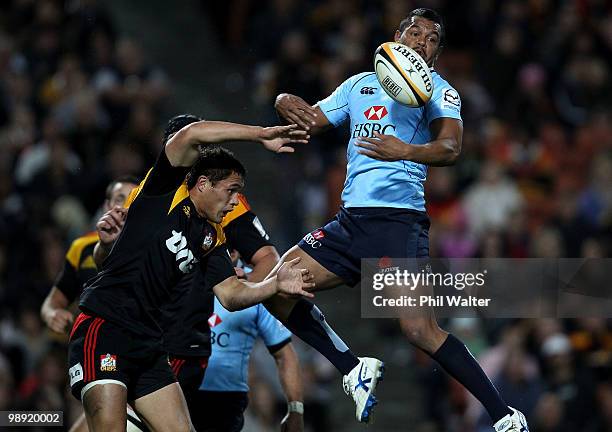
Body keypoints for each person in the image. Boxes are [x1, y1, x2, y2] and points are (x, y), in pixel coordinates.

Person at [271, 8, 529, 431]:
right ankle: (353, 368)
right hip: (349, 222)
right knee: (277, 286)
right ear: (397, 36)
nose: (421, 40)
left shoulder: (439, 92)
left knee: (419, 330)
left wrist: (404, 151)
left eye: (431, 39)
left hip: (398, 223)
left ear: (435, 57)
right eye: (415, 31)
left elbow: (449, 148)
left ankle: (504, 416)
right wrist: (284, 100)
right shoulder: (359, 84)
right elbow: (314, 120)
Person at [67, 118, 314, 432]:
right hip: (106, 326)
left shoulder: (212, 236)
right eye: (231, 190)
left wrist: (274, 284)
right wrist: (260, 134)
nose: (235, 201)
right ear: (202, 184)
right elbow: (191, 133)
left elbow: (231, 295)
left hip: (149, 343)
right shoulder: (165, 191)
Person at [40, 177, 138, 335]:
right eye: (120, 198)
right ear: (107, 206)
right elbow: (50, 304)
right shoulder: (82, 247)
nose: (125, 206)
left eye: (133, 199)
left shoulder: (155, 247)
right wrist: (52, 314)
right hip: (90, 346)